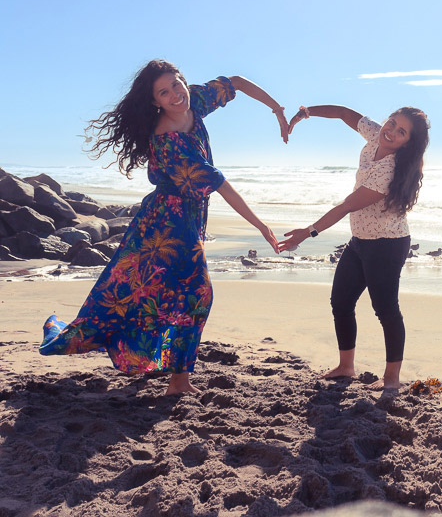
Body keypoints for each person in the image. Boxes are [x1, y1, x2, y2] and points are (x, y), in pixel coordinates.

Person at [40, 59, 286, 395]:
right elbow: (219, 183)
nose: (174, 95)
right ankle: (178, 381)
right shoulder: (168, 140)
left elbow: (238, 82)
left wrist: (277, 110)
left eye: (176, 85)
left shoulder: (193, 100)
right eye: (164, 92)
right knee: (195, 293)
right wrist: (261, 225)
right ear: (155, 101)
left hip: (189, 217)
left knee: (162, 293)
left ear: (184, 82)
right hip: (165, 225)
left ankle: (174, 374)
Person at [278, 104, 430, 391]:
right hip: (361, 240)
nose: (391, 131)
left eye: (401, 132)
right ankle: (346, 366)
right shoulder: (377, 135)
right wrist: (305, 113)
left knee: (386, 309)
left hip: (387, 245)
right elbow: (344, 114)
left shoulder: (389, 170)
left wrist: (307, 232)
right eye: (392, 122)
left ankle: (392, 378)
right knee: (341, 302)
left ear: (408, 142)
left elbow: (348, 205)